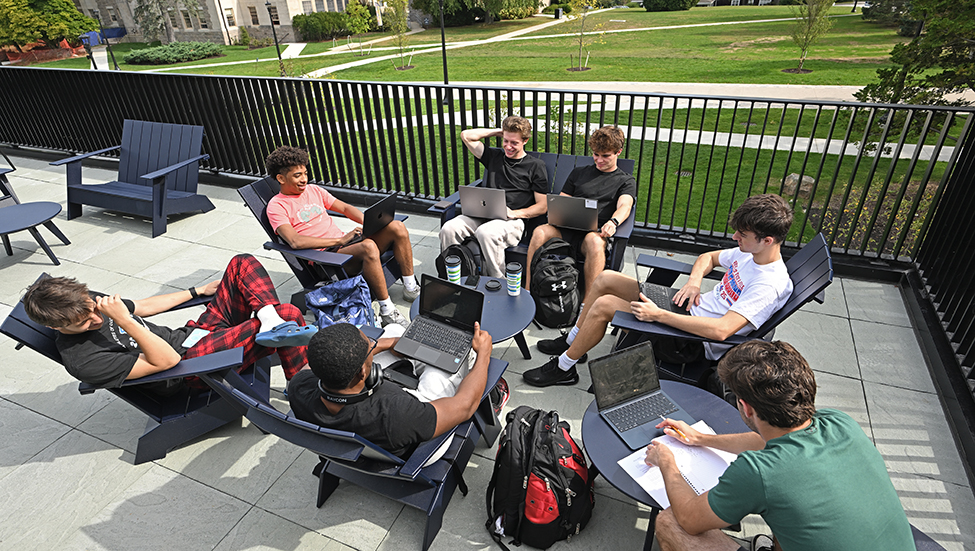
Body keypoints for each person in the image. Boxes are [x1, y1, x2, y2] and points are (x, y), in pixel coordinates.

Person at [644, 340, 915, 551]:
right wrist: (701, 439)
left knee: (670, 523)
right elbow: (768, 442)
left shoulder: (757, 472)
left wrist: (666, 461)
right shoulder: (840, 423)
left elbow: (690, 519)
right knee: (793, 513)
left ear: (746, 408)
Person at [524, 193, 794, 387]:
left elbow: (721, 331)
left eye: (742, 235)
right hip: (685, 309)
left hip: (690, 340)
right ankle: (574, 341)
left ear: (767, 240)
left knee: (605, 305)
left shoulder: (768, 284)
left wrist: (658, 315)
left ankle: (564, 368)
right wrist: (694, 282)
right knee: (605, 279)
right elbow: (708, 258)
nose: (735, 238)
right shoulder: (751, 254)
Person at [22, 254, 315, 392]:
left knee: (242, 263)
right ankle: (302, 389)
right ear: (56, 327)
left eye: (92, 309)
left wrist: (196, 291)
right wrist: (124, 320)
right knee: (290, 314)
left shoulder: (88, 302)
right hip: (188, 367)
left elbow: (143, 306)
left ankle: (269, 320)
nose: (97, 318)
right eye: (85, 323)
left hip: (194, 335)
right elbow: (167, 361)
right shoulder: (84, 361)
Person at [265, 146, 418, 327]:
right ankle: (387, 311)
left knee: (397, 227)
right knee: (368, 246)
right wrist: (340, 240)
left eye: (305, 173)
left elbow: (344, 208)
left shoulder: (313, 190)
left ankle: (410, 287)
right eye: (297, 175)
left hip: (346, 247)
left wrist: (369, 224)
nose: (304, 179)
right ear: (281, 178)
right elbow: (295, 241)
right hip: (327, 259)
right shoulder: (277, 206)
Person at [287, 322, 493, 457]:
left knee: (394, 328)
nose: (373, 344)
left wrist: (388, 343)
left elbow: (321, 363)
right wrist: (483, 354)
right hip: (419, 448)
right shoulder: (395, 412)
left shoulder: (299, 385)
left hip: (365, 441)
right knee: (445, 369)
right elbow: (466, 406)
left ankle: (406, 355)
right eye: (370, 345)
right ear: (362, 373)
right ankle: (468, 364)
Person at [524, 125, 636, 292]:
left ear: (618, 152)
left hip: (594, 233)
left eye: (605, 156)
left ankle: (588, 302)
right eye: (596, 154)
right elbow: (563, 200)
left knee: (595, 243)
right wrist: (558, 212)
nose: (599, 160)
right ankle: (528, 289)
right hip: (567, 228)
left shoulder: (625, 181)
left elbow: (625, 205)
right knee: (540, 232)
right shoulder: (579, 173)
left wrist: (613, 222)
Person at [441, 115, 548, 278]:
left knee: (486, 233)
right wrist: (500, 131)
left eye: (514, 143)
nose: (508, 146)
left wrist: (515, 213)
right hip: (482, 214)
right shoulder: (494, 157)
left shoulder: (535, 166)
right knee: (449, 229)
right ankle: (454, 278)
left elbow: (542, 206)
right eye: (505, 141)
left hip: (511, 221)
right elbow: (466, 136)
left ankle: (497, 282)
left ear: (525, 141)